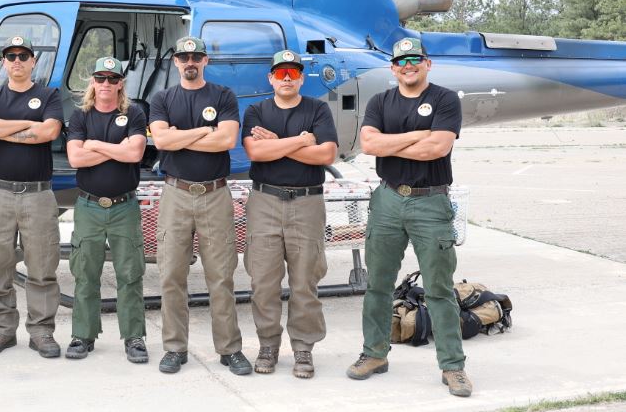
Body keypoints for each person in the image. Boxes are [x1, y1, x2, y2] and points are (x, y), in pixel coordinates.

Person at [346, 37, 471, 397]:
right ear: (393, 68)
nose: (408, 65)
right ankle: (374, 354)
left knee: (439, 289)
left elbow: (438, 147)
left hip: (430, 203)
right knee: (378, 286)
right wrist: (418, 134)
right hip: (387, 201)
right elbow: (369, 145)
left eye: (415, 59)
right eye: (401, 61)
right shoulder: (381, 101)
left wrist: (394, 140)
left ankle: (453, 366)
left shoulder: (444, 99)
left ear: (427, 64)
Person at [148, 36, 252, 376]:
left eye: (195, 56)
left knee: (221, 276)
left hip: (215, 194)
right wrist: (203, 131)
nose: (189, 61)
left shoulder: (222, 96)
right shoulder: (162, 99)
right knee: (171, 275)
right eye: (183, 57)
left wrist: (183, 135)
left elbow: (226, 139)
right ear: (175, 62)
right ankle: (175, 348)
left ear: (205, 60)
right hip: (175, 193)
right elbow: (161, 141)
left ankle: (229, 349)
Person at [241, 49, 338, 378]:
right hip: (264, 201)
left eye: (293, 73)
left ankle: (303, 349)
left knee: (305, 280)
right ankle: (268, 344)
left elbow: (326, 153)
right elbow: (256, 151)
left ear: (300, 78)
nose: (286, 78)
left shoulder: (317, 109)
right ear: (270, 78)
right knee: (263, 281)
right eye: (280, 73)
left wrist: (278, 145)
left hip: (307, 203)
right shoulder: (256, 110)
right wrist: (300, 141)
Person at [0, 36, 64, 358]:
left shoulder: (48, 95)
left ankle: (41, 331)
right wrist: (28, 124)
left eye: (23, 55)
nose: (17, 61)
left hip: (38, 196)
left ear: (32, 61)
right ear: (3, 62)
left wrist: (5, 127)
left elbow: (49, 132)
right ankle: (2, 330)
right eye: (10, 56)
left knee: (42, 267)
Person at [65, 57, 149, 363]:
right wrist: (116, 149)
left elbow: (135, 153)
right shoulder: (80, 116)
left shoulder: (134, 113)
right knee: (85, 272)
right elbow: (76, 159)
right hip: (88, 206)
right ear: (93, 82)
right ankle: (82, 335)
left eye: (112, 79)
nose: (106, 84)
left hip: (124, 206)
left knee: (130, 273)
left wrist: (94, 145)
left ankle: (134, 337)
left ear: (120, 84)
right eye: (100, 77)